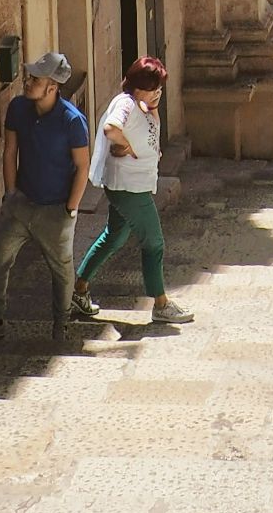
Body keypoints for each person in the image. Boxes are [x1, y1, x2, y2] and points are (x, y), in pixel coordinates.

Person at [0, 53, 91, 346]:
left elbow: (82, 166)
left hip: (56, 208)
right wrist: (10, 195)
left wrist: (70, 210)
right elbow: (9, 152)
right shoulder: (18, 108)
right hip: (21, 204)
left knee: (61, 269)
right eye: (30, 76)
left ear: (52, 87)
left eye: (36, 79)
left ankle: (61, 326)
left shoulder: (72, 121)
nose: (28, 81)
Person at [73, 57, 194, 326]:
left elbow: (150, 133)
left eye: (160, 88)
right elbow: (110, 128)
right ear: (138, 87)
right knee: (154, 243)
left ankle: (79, 289)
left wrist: (152, 110)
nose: (158, 93)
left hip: (131, 185)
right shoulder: (126, 103)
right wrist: (125, 146)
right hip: (130, 189)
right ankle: (161, 304)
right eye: (154, 88)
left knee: (113, 238)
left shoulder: (143, 106)